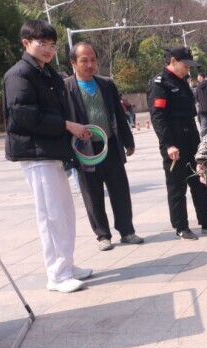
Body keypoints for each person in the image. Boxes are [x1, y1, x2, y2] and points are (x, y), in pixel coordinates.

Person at [2, 20, 93, 293]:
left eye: (52, 45)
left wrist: (73, 126)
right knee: (51, 216)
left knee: (64, 213)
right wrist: (66, 125)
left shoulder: (47, 73)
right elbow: (25, 115)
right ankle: (57, 275)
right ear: (26, 43)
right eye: (42, 43)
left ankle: (67, 265)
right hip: (35, 154)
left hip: (52, 151)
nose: (48, 50)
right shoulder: (19, 75)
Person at [64, 41, 144, 251]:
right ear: (73, 62)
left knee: (120, 191)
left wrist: (128, 140)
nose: (90, 65)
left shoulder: (106, 84)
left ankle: (127, 231)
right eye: (84, 60)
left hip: (110, 146)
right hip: (85, 151)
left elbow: (118, 113)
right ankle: (102, 235)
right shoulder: (66, 88)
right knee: (92, 195)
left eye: (93, 60)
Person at [148, 47, 207, 240]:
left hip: (191, 138)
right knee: (177, 186)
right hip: (174, 142)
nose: (187, 69)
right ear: (173, 61)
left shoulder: (181, 81)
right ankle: (181, 226)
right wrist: (169, 144)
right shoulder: (160, 84)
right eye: (185, 65)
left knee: (199, 181)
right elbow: (158, 118)